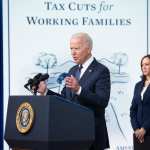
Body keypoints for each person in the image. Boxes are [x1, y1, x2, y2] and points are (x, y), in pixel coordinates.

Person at [37, 32, 111, 150]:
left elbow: (102, 101)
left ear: (88, 49)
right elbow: (64, 99)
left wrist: (79, 89)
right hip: (72, 135)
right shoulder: (72, 70)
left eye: (77, 48)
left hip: (92, 136)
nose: (73, 52)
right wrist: (46, 91)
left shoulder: (101, 71)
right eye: (71, 48)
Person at [130, 55, 150, 144]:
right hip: (138, 135)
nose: (144, 67)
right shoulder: (138, 85)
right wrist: (136, 129)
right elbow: (133, 109)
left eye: (147, 64)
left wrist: (144, 128)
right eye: (142, 65)